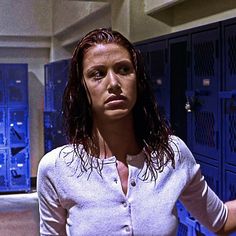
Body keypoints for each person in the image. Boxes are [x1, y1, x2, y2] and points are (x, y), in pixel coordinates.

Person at [37, 28, 236, 236]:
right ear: (82, 89)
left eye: (123, 70)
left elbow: (219, 219)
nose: (113, 84)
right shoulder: (57, 168)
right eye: (97, 74)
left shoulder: (172, 153)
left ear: (137, 81)